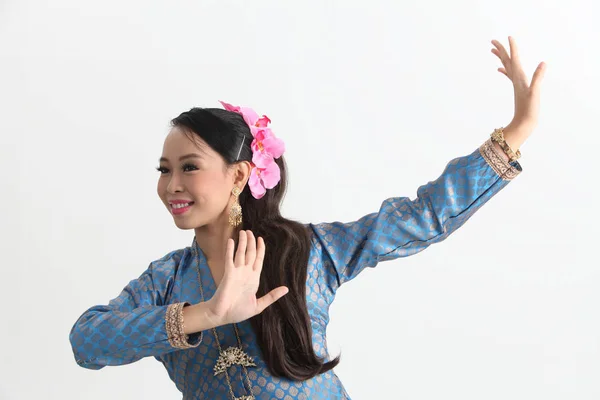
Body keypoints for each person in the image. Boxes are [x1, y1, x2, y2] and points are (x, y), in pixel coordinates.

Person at [69, 37, 546, 399]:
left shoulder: (310, 251)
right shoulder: (166, 281)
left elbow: (423, 217)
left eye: (189, 167)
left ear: (238, 176)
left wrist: (517, 130)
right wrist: (206, 314)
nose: (171, 184)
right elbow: (86, 341)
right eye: (164, 170)